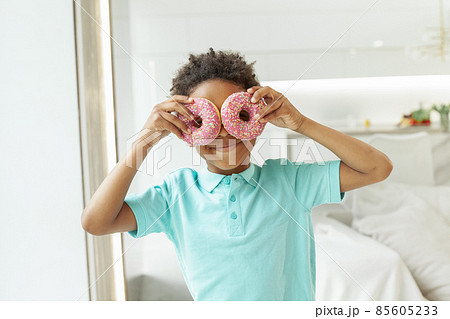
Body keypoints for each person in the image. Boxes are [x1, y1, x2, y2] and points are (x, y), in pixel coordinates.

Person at [81, 48, 393, 301]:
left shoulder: (290, 182)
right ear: (185, 131)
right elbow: (96, 222)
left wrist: (300, 123)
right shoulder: (175, 194)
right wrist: (145, 139)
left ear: (257, 121)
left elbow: (378, 167)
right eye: (208, 121)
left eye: (237, 118)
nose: (223, 133)